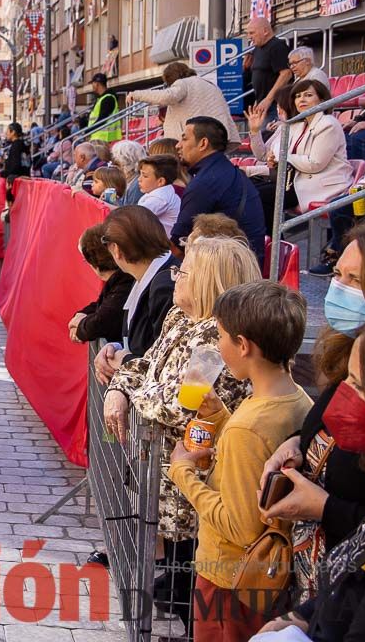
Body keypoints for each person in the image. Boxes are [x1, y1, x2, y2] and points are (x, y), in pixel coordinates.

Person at [104, 236, 261, 636]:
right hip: (169, 480)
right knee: (180, 578)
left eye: (184, 271)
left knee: (197, 593)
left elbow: (177, 402)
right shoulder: (179, 317)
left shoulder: (214, 337)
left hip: (199, 490)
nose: (175, 276)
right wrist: (119, 387)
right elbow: (146, 366)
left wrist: (129, 390)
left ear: (209, 281)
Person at [168, 280, 313, 637]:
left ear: (244, 345)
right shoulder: (298, 401)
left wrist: (183, 472)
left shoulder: (246, 429)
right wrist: (221, 417)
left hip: (229, 579)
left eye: (221, 337)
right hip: (263, 578)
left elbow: (240, 526)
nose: (217, 346)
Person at [259, 224, 365, 609]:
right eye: (338, 274)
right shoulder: (349, 351)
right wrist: (296, 444)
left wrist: (324, 508)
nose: (339, 288)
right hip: (315, 587)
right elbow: (325, 423)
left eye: (355, 279)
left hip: (355, 598)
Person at [247, 79, 351, 230]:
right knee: (249, 189)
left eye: (308, 95)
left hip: (319, 184)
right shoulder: (297, 124)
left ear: (322, 99)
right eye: (298, 96)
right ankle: (272, 244)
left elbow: (315, 163)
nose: (301, 99)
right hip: (295, 182)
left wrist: (281, 158)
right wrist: (260, 139)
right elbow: (268, 155)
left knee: (258, 197)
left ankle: (273, 247)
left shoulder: (329, 124)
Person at [93, 206, 178, 378]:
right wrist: (115, 348)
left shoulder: (164, 286)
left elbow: (164, 361)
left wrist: (125, 360)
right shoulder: (151, 273)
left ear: (116, 249)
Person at [171, 117, 267, 265]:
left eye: (184, 139)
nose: (178, 145)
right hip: (246, 264)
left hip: (231, 272)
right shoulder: (226, 171)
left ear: (203, 143)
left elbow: (178, 248)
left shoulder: (205, 182)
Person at [126, 62, 240, 144]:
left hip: (196, 140)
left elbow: (167, 96)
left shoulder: (183, 83)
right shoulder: (210, 85)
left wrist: (136, 95)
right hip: (218, 136)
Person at [69, 223, 134, 345]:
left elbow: (103, 320)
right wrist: (82, 314)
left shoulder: (125, 281)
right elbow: (102, 304)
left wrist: (80, 327)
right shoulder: (118, 280)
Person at [246, 17, 293, 128]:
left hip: (275, 105)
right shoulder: (257, 49)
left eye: (252, 33)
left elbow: (286, 74)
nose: (249, 37)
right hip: (262, 104)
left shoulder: (277, 46)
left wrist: (268, 99)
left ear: (265, 31)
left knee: (268, 139)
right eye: (248, 33)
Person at [138, 154, 183, 235]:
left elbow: (133, 217)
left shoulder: (160, 198)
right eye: (140, 174)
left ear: (160, 181)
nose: (139, 179)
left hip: (166, 245)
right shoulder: (164, 191)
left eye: (145, 176)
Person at [88, 72, 122, 144]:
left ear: (97, 84)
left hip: (103, 138)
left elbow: (102, 119)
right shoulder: (101, 99)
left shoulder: (108, 99)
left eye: (93, 83)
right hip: (99, 137)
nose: (92, 86)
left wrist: (88, 131)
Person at [112, 139, 146, 206]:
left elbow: (129, 211)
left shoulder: (138, 183)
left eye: (117, 163)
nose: (115, 166)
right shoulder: (132, 180)